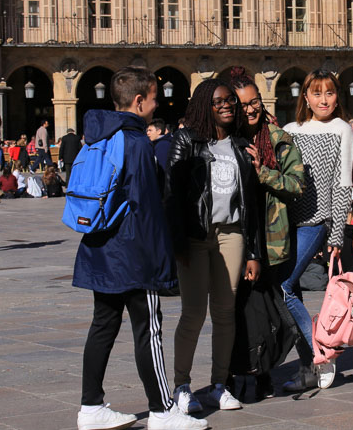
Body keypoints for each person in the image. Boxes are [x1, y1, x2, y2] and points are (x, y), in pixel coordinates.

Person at [73, 66, 207, 430]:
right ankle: (162, 411)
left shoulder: (98, 136)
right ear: (138, 101)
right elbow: (148, 208)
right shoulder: (136, 144)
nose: (157, 103)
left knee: (103, 325)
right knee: (149, 329)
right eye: (153, 97)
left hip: (99, 244)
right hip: (134, 251)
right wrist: (162, 261)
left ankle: (90, 407)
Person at [164, 78, 262, 415]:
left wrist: (253, 252)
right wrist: (177, 241)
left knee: (224, 311)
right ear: (204, 104)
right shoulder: (187, 140)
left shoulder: (240, 144)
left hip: (231, 234)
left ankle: (219, 384)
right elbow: (172, 193)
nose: (227, 106)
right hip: (195, 237)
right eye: (218, 101)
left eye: (230, 100)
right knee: (193, 313)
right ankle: (182, 385)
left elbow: (251, 203)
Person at [230, 71, 306, 399]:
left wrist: (264, 172)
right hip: (235, 235)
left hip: (270, 236)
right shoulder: (226, 139)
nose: (250, 109)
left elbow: (297, 185)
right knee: (236, 309)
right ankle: (234, 374)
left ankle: (265, 372)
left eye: (255, 102)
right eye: (243, 104)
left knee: (266, 308)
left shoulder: (278, 138)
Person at [279, 69, 353, 391]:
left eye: (330, 93)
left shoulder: (342, 130)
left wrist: (335, 234)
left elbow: (342, 185)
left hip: (316, 222)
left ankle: (318, 353)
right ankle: (309, 366)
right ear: (306, 97)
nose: (324, 100)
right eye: (317, 93)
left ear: (338, 97)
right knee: (290, 290)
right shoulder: (289, 130)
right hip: (285, 223)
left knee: (283, 285)